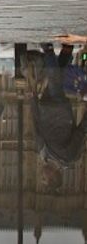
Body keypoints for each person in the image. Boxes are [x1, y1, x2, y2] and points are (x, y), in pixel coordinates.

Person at [31, 44, 87, 191]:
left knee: (57, 78)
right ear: (53, 176)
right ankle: (48, 51)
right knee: (55, 80)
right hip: (60, 110)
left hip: (45, 108)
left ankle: (67, 51)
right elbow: (80, 132)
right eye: (44, 178)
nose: (41, 174)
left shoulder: (42, 154)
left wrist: (33, 101)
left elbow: (36, 126)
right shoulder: (69, 157)